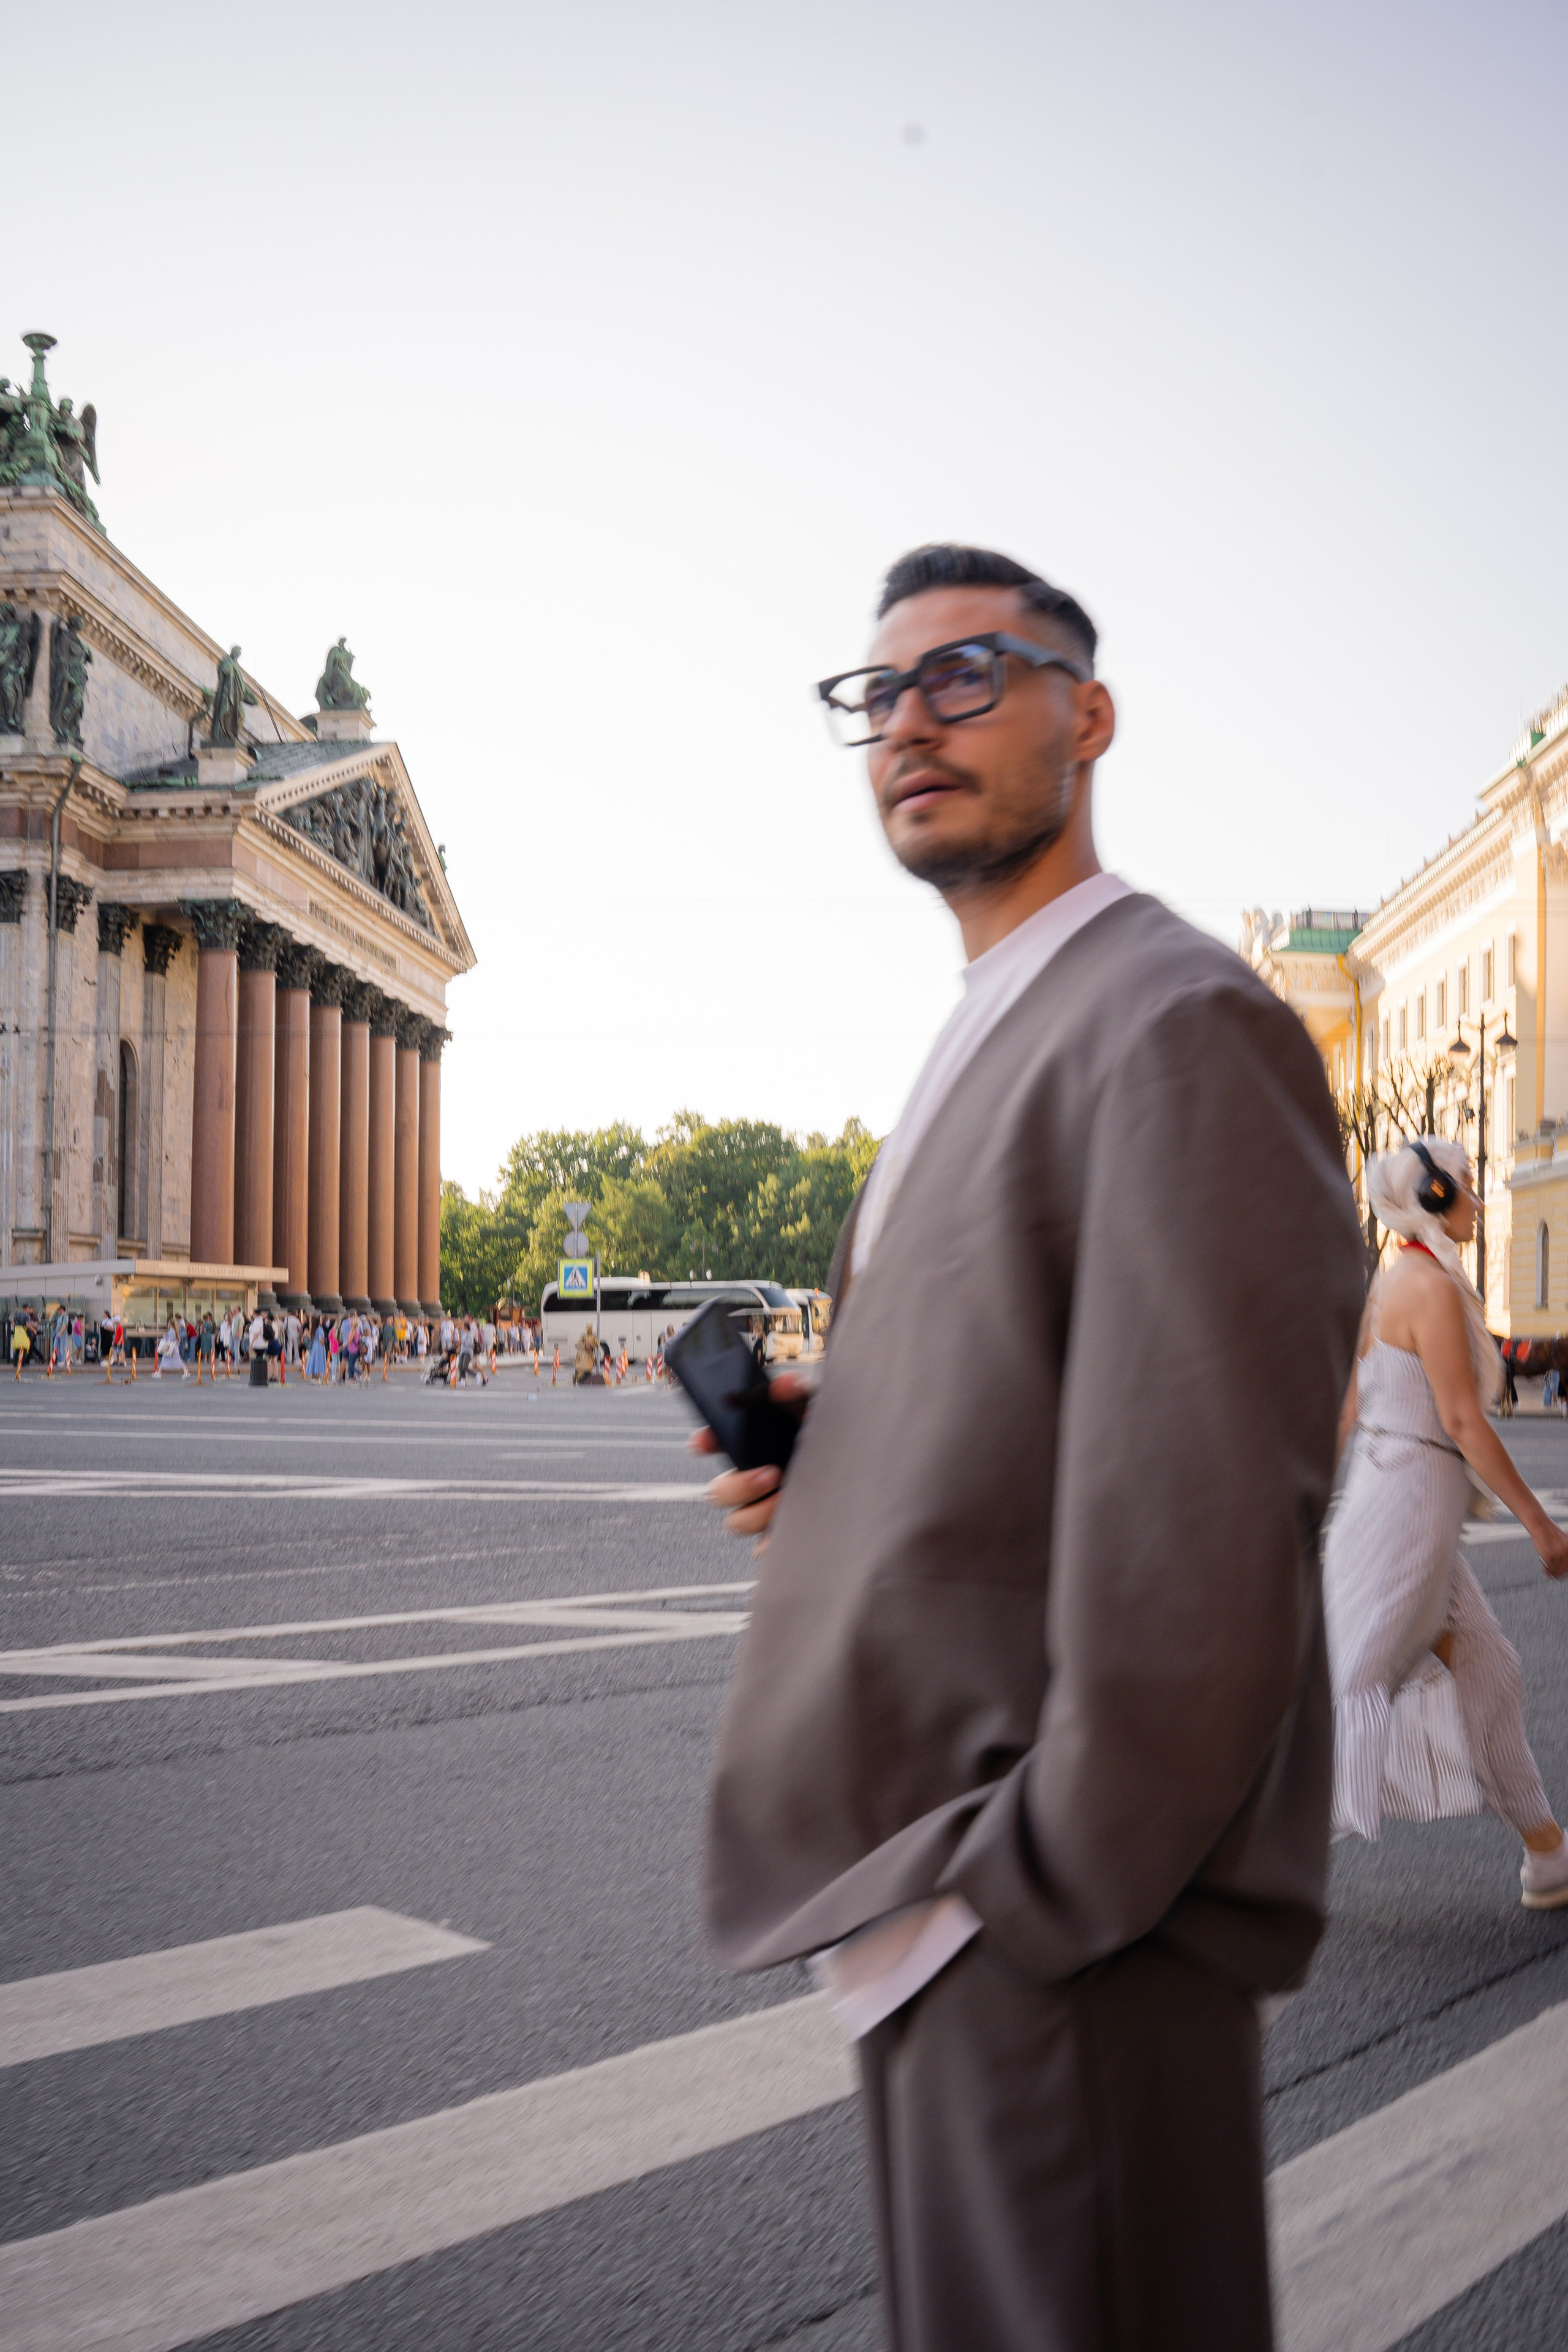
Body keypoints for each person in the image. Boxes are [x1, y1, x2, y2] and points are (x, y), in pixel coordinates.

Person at [699, 543, 1365, 2352]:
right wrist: (838, 1456)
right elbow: (1051, 1403)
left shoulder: (1173, 1014)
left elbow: (1211, 1516)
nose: (909, 719)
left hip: (1050, 1925)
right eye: (877, 693)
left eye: (966, 674)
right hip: (938, 1898)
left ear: (1090, 714)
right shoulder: (997, 1017)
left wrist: (1032, 1894)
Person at [1325, 1137, 1568, 1907]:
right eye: (1463, 1187)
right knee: (1348, 1684)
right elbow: (1462, 1419)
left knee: (1487, 1675)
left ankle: (1549, 1855)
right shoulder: (1421, 1288)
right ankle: (1223, 1865)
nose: (1475, 1199)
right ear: (1428, 1196)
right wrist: (1539, 1523)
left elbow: (1354, 1405)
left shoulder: (1403, 1277)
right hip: (1405, 1511)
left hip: (1406, 1503)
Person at [306, 1317, 327, 1381]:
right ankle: (316, 1377)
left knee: (314, 1360)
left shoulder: (314, 1328)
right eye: (321, 1319)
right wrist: (324, 1344)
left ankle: (313, 1377)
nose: (322, 1320)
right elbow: (321, 1339)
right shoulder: (320, 1329)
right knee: (318, 1361)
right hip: (319, 1346)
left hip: (315, 1345)